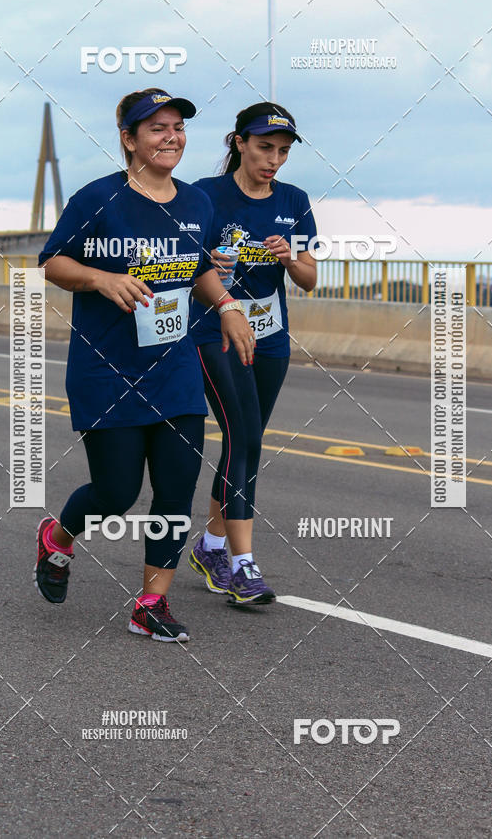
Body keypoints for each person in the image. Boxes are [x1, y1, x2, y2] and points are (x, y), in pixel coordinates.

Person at [35, 88, 254, 642]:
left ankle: (151, 603)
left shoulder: (197, 203)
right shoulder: (97, 199)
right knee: (115, 493)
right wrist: (101, 278)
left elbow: (199, 270)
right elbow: (53, 263)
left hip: (174, 369)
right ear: (129, 140)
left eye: (177, 127)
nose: (171, 137)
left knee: (175, 492)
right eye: (156, 129)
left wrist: (226, 304)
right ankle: (58, 538)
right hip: (106, 370)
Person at [188, 101, 317, 604]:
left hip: (271, 336)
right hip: (215, 331)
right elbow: (183, 266)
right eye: (265, 148)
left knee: (247, 443)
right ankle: (243, 565)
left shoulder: (295, 200)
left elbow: (308, 278)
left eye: (283, 151)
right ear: (238, 142)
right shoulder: (204, 195)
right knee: (244, 437)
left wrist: (290, 259)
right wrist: (210, 265)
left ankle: (212, 545)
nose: (274, 160)